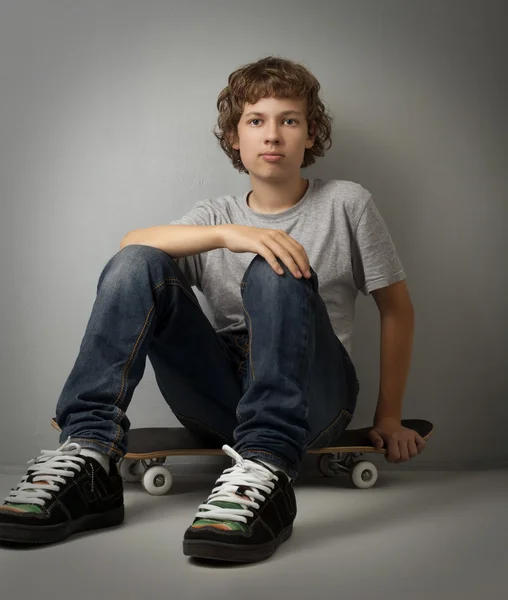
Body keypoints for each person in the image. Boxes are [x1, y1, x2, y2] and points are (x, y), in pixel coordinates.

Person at [0, 56, 425, 562]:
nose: (272, 135)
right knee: (138, 263)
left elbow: (396, 309)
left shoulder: (346, 202)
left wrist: (390, 416)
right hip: (221, 393)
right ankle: (89, 456)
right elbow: (131, 245)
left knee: (274, 266)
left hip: (312, 393)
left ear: (310, 135)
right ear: (234, 138)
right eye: (255, 121)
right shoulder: (217, 216)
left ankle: (268, 465)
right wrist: (232, 234)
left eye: (288, 120)